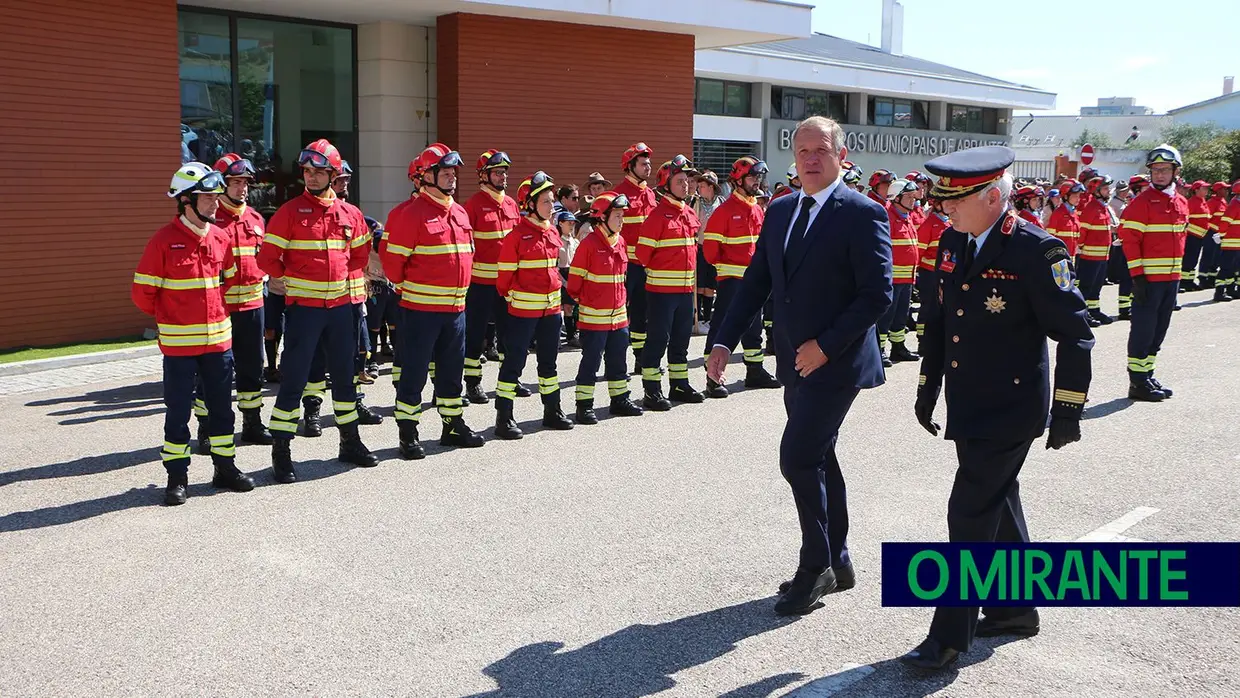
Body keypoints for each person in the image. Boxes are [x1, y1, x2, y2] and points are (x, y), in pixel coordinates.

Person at [904, 145, 1094, 671]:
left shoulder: (1037, 250)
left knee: (968, 511)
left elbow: (1076, 336)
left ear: (992, 197)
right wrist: (927, 388)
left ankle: (948, 637)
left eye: (954, 199)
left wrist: (1069, 409)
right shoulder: (951, 241)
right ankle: (1014, 609)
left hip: (1011, 407)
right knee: (997, 503)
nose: (943, 208)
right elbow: (940, 323)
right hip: (970, 402)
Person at [706, 115, 893, 616]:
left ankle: (816, 567)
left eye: (821, 150)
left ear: (841, 156)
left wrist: (825, 346)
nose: (810, 159)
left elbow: (877, 295)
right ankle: (839, 557)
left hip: (836, 361)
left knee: (798, 457)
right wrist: (724, 340)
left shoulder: (864, 213)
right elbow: (756, 281)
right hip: (793, 359)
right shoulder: (782, 210)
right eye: (803, 150)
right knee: (820, 455)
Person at [256, 139, 379, 481]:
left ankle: (350, 442)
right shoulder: (289, 212)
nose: (311, 177)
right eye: (307, 171)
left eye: (318, 171)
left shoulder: (350, 214)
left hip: (342, 311)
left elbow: (359, 256)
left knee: (344, 378)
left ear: (332, 174)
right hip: (304, 312)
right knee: (294, 380)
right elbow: (267, 259)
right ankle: (281, 451)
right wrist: (292, 279)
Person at [133, 163, 256, 505]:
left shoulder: (220, 237)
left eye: (217, 197)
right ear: (186, 200)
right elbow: (142, 293)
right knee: (177, 413)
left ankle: (225, 469)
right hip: (179, 348)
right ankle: (177, 477)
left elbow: (229, 279)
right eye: (208, 198)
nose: (216, 204)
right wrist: (172, 316)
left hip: (218, 343)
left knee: (221, 410)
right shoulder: (163, 241)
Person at [381, 143, 487, 458]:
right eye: (445, 172)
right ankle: (408, 433)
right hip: (420, 311)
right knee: (413, 372)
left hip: (455, 310)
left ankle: (452, 425)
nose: (452, 177)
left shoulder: (459, 212)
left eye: (454, 172)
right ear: (427, 176)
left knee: (452, 372)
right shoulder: (409, 214)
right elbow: (392, 267)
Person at [493, 171, 575, 438]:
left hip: (551, 313)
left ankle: (552, 411)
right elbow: (504, 279)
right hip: (523, 313)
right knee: (514, 363)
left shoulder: (551, 231)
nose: (552, 207)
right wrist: (517, 299)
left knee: (549, 365)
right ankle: (504, 418)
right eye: (546, 202)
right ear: (529, 204)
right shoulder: (516, 236)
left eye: (552, 201)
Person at [701, 155, 781, 398]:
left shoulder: (757, 209)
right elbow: (710, 252)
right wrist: (728, 269)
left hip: (754, 279)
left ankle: (754, 370)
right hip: (731, 280)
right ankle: (712, 377)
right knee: (723, 324)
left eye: (758, 177)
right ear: (737, 179)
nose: (757, 181)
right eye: (752, 177)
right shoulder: (724, 211)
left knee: (753, 325)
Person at [210, 154, 273, 446]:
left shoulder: (257, 219)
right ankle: (207, 427)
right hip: (219, 310)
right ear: (221, 185)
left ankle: (252, 422)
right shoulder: (210, 220)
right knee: (215, 371)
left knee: (252, 367)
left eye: (245, 183)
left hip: (252, 306)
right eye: (235, 182)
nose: (242, 188)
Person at [1118, 145, 1189, 402]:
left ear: (1175, 171)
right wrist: (1137, 277)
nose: (1159, 174)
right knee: (1143, 330)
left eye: (1165, 170)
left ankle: (1147, 374)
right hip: (1148, 280)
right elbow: (1129, 240)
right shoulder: (1142, 203)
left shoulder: (1181, 202)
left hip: (1171, 280)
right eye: (1155, 170)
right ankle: (1136, 382)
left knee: (1159, 330)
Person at [566, 192, 644, 423]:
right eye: (617, 215)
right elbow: (574, 284)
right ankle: (584, 406)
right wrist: (591, 302)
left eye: (622, 215)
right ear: (602, 217)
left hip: (618, 317)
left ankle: (619, 400)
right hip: (594, 318)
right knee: (591, 361)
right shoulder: (588, 245)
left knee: (618, 360)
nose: (622, 220)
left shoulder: (620, 241)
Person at [636, 155, 706, 410]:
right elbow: (643, 255)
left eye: (687, 180)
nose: (686, 184)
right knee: (657, 340)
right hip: (661, 292)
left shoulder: (687, 212)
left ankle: (679, 384)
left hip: (685, 291)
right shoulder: (657, 217)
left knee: (680, 341)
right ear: (666, 184)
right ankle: (651, 390)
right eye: (680, 180)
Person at [462, 149, 523, 404]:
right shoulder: (473, 205)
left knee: (510, 334)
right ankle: (473, 384)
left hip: (507, 284)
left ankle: (509, 379)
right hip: (480, 284)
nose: (503, 177)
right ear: (484, 175)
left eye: (504, 172)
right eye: (497, 172)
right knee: (475, 335)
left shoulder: (510, 204)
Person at [613, 143, 658, 373]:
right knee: (623, 314)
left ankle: (641, 358)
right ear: (630, 166)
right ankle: (616, 361)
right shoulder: (619, 195)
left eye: (649, 163)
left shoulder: (650, 193)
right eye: (643, 163)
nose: (648, 167)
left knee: (644, 313)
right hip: (626, 266)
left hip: (648, 265)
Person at [879, 178, 922, 365]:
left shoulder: (907, 217)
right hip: (892, 278)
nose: (913, 200)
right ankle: (879, 350)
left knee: (901, 315)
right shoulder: (886, 217)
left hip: (907, 277)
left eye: (914, 196)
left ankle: (898, 347)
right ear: (896, 198)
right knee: (885, 316)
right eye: (909, 196)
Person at [1078, 175, 1115, 326]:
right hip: (1090, 256)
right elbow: (1083, 232)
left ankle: (1094, 310)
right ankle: (1083, 315)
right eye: (1105, 189)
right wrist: (1081, 248)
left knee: (1096, 287)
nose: (1109, 192)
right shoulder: (1091, 208)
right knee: (1086, 287)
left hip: (1102, 256)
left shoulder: (1103, 208)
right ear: (1097, 191)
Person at [914, 198, 950, 340]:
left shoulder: (947, 223)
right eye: (945, 202)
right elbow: (919, 252)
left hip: (945, 272)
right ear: (936, 205)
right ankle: (922, 339)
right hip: (929, 273)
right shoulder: (928, 225)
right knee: (928, 307)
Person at [1181, 181, 1213, 291]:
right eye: (1204, 188)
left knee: (1194, 260)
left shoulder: (1202, 201)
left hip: (1200, 237)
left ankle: (1189, 281)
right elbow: (1185, 221)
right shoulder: (1192, 202)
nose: (1206, 191)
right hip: (1192, 236)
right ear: (1196, 190)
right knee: (1189, 260)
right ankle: (1184, 282)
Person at [1215, 181, 1240, 301]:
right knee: (1226, 269)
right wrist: (1221, 236)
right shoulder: (1235, 205)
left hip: (1237, 244)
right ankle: (1219, 293)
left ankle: (1231, 290)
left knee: (1233, 269)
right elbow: (1225, 223)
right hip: (1231, 244)